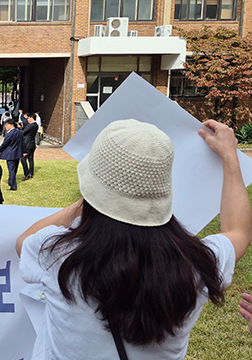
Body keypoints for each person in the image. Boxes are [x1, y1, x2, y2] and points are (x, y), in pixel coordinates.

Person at [15, 119, 251, 359]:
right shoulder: (195, 265)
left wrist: (93, 195)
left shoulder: (59, 254)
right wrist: (230, 157)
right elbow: (238, 232)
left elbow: (23, 241)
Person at [0, 118, 25, 191]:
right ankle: (11, 181)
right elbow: (23, 143)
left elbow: (4, 144)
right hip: (17, 154)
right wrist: (24, 151)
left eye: (6, 125)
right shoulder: (19, 132)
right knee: (14, 169)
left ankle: (13, 186)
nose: (5, 127)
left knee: (11, 170)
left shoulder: (9, 134)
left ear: (11, 125)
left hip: (10, 155)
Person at [21, 113, 39, 180]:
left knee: (23, 158)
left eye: (28, 118)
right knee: (30, 159)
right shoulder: (36, 125)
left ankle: (27, 173)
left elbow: (23, 133)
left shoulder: (30, 126)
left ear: (31, 118)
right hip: (32, 144)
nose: (27, 119)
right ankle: (31, 173)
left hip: (27, 144)